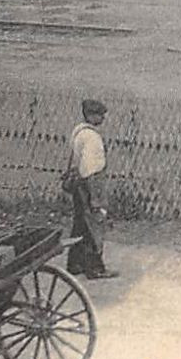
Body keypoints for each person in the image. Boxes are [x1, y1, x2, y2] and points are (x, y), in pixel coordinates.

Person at [64, 99, 116, 279]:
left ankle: (75, 263)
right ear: (91, 116)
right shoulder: (93, 137)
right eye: (100, 115)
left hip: (78, 184)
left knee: (80, 225)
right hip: (90, 184)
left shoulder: (78, 132)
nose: (102, 118)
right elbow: (91, 168)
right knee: (94, 226)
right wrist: (96, 198)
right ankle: (95, 268)